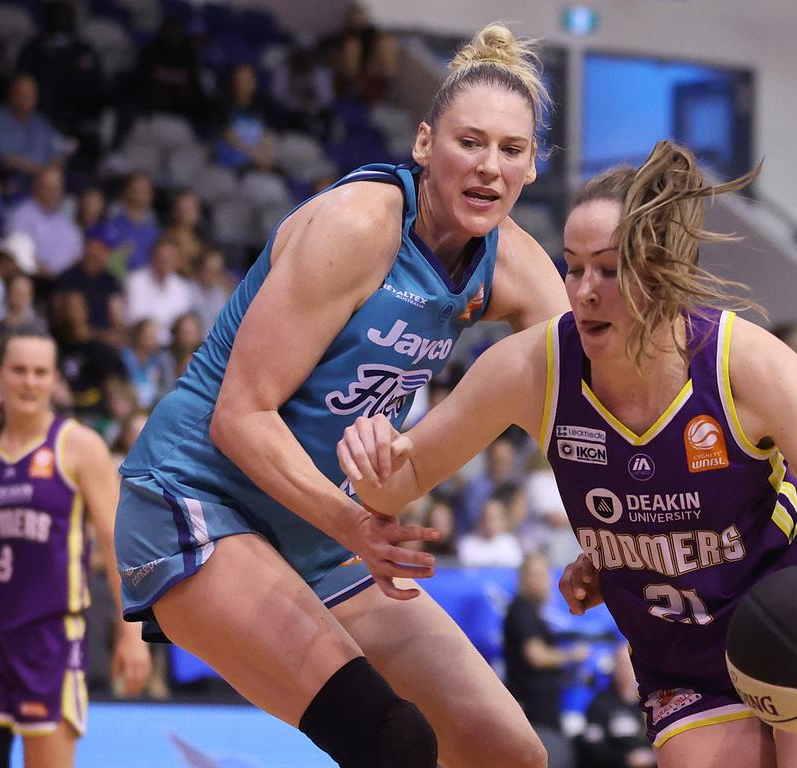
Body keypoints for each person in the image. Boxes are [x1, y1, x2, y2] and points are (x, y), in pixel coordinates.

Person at [338, 140, 797, 768]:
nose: (584, 290)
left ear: (660, 272)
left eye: (609, 270)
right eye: (574, 266)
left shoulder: (745, 366)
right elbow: (399, 481)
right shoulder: (533, 369)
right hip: (681, 658)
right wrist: (373, 457)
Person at [115, 23, 567, 768]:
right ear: (425, 145)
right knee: (392, 740)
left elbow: (574, 416)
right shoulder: (361, 224)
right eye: (470, 142)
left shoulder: (513, 265)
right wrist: (355, 521)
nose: (489, 166)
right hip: (197, 500)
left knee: (509, 755)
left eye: (510, 151)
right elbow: (240, 416)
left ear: (530, 168)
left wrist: (603, 541)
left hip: (322, 534)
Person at [0, 330, 150, 767]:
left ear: (55, 379)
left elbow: (117, 542)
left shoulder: (79, 446)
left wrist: (131, 633)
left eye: (40, 372)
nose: (29, 382)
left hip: (50, 639)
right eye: (18, 370)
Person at [504, 551, 589, 768]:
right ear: (523, 577)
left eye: (543, 574)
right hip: (533, 711)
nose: (541, 580)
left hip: (545, 709)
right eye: (534, 574)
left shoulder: (533, 612)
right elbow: (536, 656)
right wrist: (572, 655)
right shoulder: (521, 609)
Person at [576, 644, 656, 768]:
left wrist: (652, 756)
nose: (626, 670)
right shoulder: (601, 703)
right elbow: (592, 746)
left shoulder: (653, 702)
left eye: (630, 664)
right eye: (621, 664)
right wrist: (625, 759)